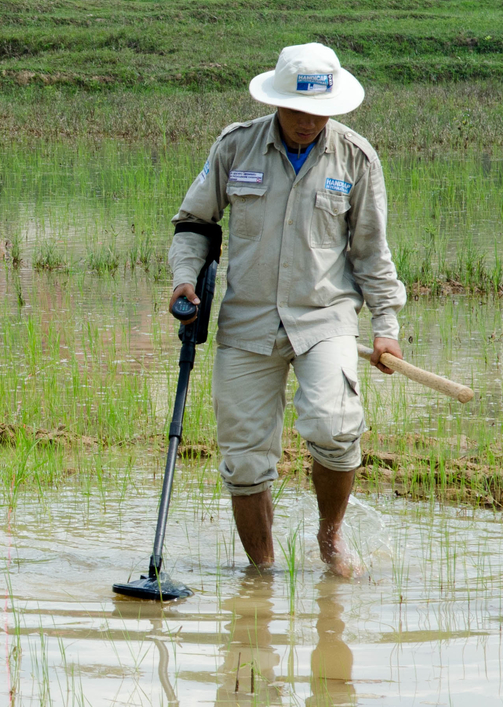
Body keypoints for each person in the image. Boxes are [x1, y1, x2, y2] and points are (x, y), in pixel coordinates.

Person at [167, 43, 406, 578]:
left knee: (333, 426)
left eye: (319, 113)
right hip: (246, 323)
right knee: (245, 461)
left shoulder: (356, 158)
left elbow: (371, 252)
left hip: (325, 319)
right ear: (276, 101)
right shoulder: (235, 148)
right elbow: (195, 224)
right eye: (297, 111)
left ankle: (330, 538)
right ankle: (262, 573)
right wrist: (185, 279)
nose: (307, 123)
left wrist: (386, 326)